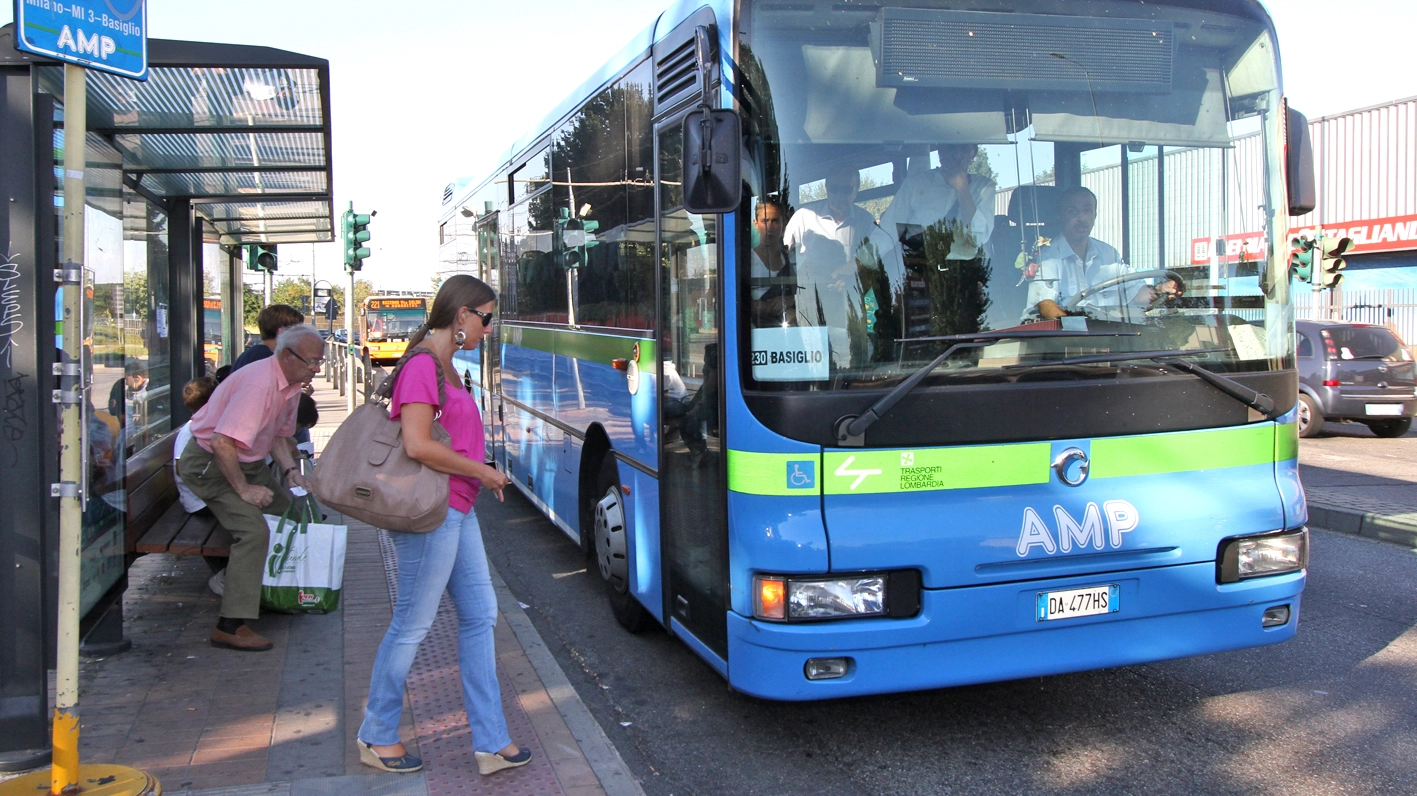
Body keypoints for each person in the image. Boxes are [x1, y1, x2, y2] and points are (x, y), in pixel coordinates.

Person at [357, 274, 529, 778]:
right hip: (433, 512)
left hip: (457, 508)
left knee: (480, 615)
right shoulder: (422, 367)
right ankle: (377, 732)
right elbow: (417, 444)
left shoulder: (447, 367)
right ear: (462, 316)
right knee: (412, 624)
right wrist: (482, 471)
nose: (489, 329)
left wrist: (475, 478)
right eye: (487, 318)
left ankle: (491, 741)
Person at [176, 325, 324, 652]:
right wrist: (244, 491)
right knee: (254, 532)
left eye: (320, 362)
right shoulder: (259, 384)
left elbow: (278, 435)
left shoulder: (290, 382)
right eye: (312, 362)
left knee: (289, 512)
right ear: (287, 355)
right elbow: (222, 442)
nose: (317, 369)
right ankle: (231, 624)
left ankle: (274, 591)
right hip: (212, 464)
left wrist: (289, 472)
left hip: (245, 460)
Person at [784, 165, 894, 366]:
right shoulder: (804, 217)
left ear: (856, 189)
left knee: (848, 357)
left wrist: (853, 273)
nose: (839, 195)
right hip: (810, 298)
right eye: (834, 189)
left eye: (846, 189)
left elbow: (877, 256)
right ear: (826, 188)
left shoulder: (864, 220)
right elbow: (784, 255)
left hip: (847, 302)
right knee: (813, 358)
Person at [1024, 186, 1183, 321]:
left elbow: (1136, 294)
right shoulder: (1048, 258)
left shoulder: (1109, 254)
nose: (1082, 218)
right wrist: (1076, 331)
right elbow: (1045, 305)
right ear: (1060, 216)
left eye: (1087, 210)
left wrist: (1161, 289)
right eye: (1073, 212)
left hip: (1111, 342)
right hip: (1064, 347)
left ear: (1095, 214)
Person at [880, 143, 997, 261]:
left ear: (974, 152)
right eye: (951, 147)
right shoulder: (916, 183)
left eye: (965, 148)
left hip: (964, 273)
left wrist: (962, 189)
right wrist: (864, 265)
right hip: (921, 271)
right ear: (940, 150)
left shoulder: (984, 188)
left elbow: (977, 238)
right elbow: (886, 231)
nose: (957, 155)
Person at [173, 377, 218, 514]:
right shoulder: (191, 430)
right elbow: (181, 468)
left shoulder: (202, 426)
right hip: (200, 502)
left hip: (207, 496)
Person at [232, 304, 305, 372]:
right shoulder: (262, 357)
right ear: (282, 332)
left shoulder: (257, 353)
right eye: (297, 330)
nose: (301, 335)